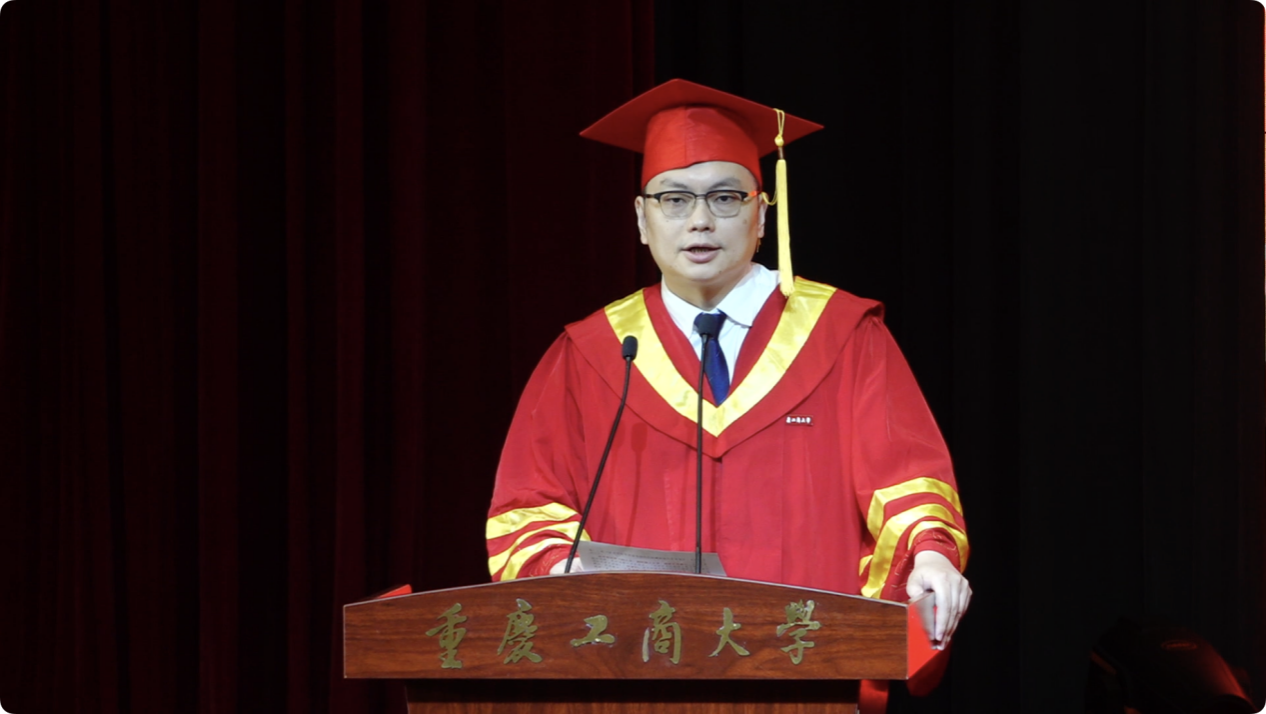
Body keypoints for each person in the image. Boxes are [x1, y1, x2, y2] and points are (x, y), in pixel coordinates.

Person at [485, 79, 971, 649]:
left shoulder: (844, 336)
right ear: (641, 218)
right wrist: (559, 572)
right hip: (636, 665)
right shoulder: (590, 355)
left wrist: (930, 555)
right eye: (674, 199)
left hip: (804, 657)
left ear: (761, 215)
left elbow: (906, 479)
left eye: (725, 198)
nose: (700, 221)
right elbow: (530, 505)